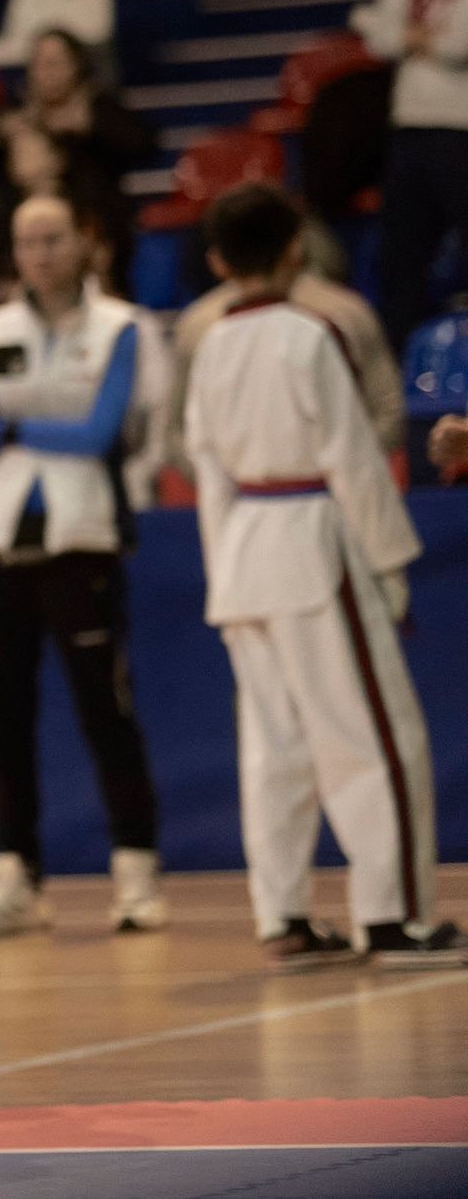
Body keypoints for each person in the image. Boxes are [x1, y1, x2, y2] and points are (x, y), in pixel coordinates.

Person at [184, 182, 457, 970]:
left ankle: (286, 914)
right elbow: (351, 455)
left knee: (274, 746)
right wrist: (390, 561)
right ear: (296, 249)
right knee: (375, 735)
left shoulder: (207, 345)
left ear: (216, 261)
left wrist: (219, 572)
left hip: (240, 548)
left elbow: (207, 472)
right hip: (313, 539)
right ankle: (392, 917)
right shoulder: (310, 333)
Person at [0, 195, 171, 941]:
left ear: (84, 240)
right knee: (3, 714)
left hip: (84, 535)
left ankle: (135, 874)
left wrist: (12, 422)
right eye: (26, 240)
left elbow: (100, 433)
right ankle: (15, 877)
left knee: (106, 708)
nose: (40, 253)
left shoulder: (121, 329)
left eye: (53, 237)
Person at [170, 231, 405, 473]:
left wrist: (343, 471)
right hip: (248, 495)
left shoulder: (346, 313)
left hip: (326, 491)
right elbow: (177, 429)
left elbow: (388, 409)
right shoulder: (199, 324)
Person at [0, 28, 153, 295]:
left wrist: (89, 125)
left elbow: (145, 145)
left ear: (77, 65)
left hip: (95, 244)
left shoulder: (97, 108)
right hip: (21, 249)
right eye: (40, 64)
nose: (48, 72)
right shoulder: (15, 111)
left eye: (57, 63)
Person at [355, 0, 468, 350]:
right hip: (409, 124)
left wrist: (411, 37)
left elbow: (461, 45)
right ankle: (401, 356)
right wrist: (425, 39)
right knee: (400, 255)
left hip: (461, 127)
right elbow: (378, 39)